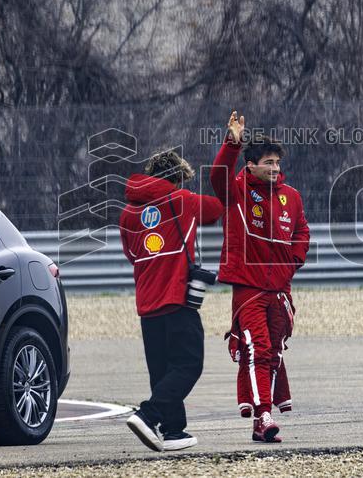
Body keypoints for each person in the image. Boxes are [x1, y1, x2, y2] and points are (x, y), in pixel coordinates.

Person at [210, 111, 310, 443]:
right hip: (249, 289)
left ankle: (259, 426)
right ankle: (264, 414)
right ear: (251, 165)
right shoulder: (236, 190)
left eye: (277, 163)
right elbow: (217, 176)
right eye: (268, 162)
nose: (274, 168)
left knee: (274, 353)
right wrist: (232, 143)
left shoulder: (291, 197)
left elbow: (302, 232)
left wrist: (292, 262)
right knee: (258, 349)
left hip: (280, 290)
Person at [119, 150, 224, 452]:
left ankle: (174, 431)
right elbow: (218, 209)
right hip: (177, 299)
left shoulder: (127, 213)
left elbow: (132, 256)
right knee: (189, 365)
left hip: (147, 303)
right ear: (177, 178)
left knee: (163, 370)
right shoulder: (183, 201)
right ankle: (147, 415)